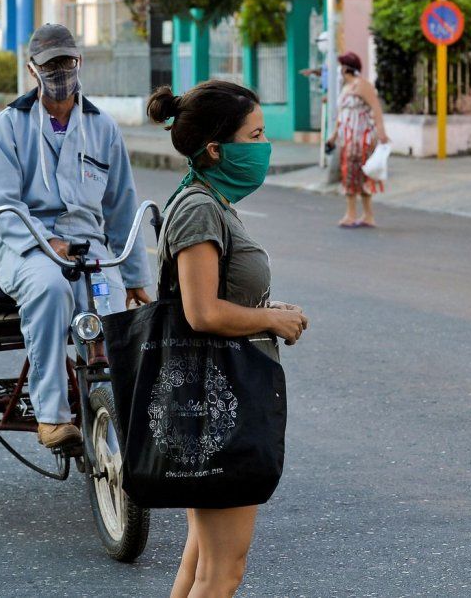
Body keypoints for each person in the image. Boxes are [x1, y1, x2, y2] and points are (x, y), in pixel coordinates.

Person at [145, 81, 309, 598]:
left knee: (199, 565)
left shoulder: (211, 200)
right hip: (219, 405)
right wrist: (269, 322)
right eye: (255, 135)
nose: (264, 146)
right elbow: (201, 312)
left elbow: (218, 296)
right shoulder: (198, 208)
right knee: (223, 572)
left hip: (216, 399)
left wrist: (265, 309)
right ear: (216, 148)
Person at [0, 23, 152, 449]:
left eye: (67, 62)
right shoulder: (8, 126)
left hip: (89, 247)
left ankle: (119, 435)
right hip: (28, 246)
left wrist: (135, 277)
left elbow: (121, 206)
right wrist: (46, 242)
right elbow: (5, 206)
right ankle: (53, 418)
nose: (60, 72)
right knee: (50, 289)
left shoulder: (103, 128)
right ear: (32, 70)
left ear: (80, 62)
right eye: (50, 65)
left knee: (114, 317)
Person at [328, 51, 389, 228]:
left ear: (347, 68)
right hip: (347, 140)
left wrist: (381, 134)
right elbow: (342, 115)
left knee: (357, 175)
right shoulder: (346, 87)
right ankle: (364, 215)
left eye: (342, 66)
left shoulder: (362, 86)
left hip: (361, 139)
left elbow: (376, 108)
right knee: (352, 175)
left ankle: (353, 214)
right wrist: (334, 135)